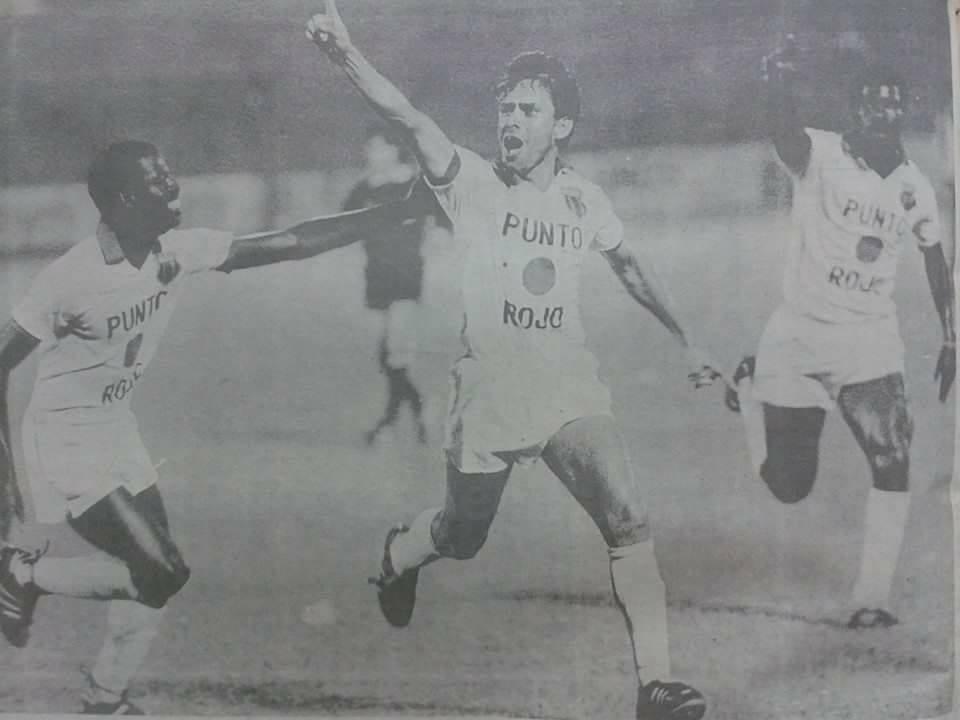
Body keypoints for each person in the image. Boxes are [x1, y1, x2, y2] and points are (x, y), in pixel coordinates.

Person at [307, 4, 718, 719]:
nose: (511, 120)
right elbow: (405, 115)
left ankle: (655, 686)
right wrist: (346, 53)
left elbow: (629, 266)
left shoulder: (584, 199)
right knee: (461, 537)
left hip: (566, 389)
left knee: (627, 514)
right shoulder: (467, 179)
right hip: (489, 395)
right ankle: (401, 553)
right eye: (506, 107)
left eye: (528, 109)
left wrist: (687, 338)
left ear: (561, 125)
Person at [0, 139, 420, 714]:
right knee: (163, 570)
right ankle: (22, 575)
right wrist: (4, 467)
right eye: (158, 180)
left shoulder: (177, 250)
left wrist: (396, 209)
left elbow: (293, 242)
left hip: (115, 428)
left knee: (152, 576)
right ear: (124, 199)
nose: (174, 187)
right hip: (64, 437)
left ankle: (105, 696)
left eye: (170, 172)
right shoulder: (69, 279)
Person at [725, 41, 956, 629]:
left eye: (893, 105)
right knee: (789, 486)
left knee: (893, 456)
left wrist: (951, 336)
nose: (884, 114)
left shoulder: (913, 187)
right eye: (873, 104)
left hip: (868, 342)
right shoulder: (819, 154)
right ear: (853, 110)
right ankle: (750, 393)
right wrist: (776, 84)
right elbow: (783, 130)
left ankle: (871, 599)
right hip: (799, 339)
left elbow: (935, 258)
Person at [343, 127, 442, 447]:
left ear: (392, 150)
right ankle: (413, 413)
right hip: (376, 276)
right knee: (388, 356)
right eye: (368, 148)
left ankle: (392, 421)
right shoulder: (365, 189)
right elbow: (342, 224)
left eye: (376, 147)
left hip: (406, 275)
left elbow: (444, 223)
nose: (369, 154)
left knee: (395, 353)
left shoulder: (414, 185)